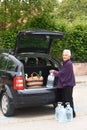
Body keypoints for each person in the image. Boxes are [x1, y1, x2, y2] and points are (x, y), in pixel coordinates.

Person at [50, 49, 76, 118]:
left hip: (68, 84)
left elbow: (62, 73)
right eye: (63, 55)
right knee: (66, 99)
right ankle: (69, 114)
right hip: (67, 84)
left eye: (66, 55)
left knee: (68, 99)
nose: (64, 56)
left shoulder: (68, 64)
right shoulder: (66, 63)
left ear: (69, 56)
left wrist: (54, 72)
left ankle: (72, 114)